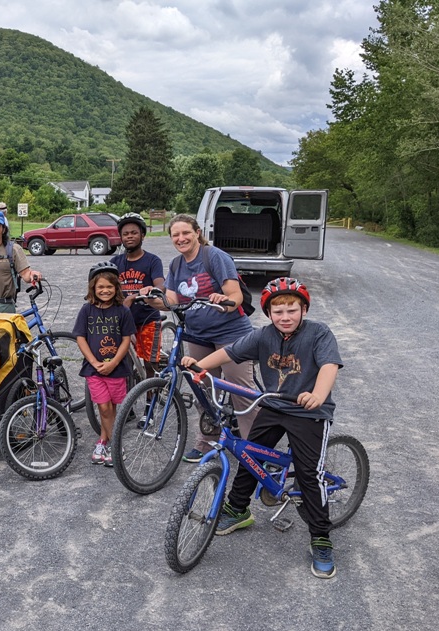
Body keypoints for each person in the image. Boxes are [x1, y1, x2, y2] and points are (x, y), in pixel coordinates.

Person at [179, 277, 342, 579]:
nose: (285, 317)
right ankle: (238, 509)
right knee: (248, 455)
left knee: (308, 475)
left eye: (292, 310)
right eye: (278, 312)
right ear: (268, 314)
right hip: (273, 405)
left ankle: (321, 537)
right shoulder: (263, 336)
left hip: (309, 412)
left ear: (303, 309)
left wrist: (318, 395)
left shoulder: (319, 334)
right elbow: (229, 353)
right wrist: (201, 367)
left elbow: (329, 366)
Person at [146, 214, 256, 463]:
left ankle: (255, 448)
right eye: (176, 235)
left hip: (232, 334)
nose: (181, 238)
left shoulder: (214, 256)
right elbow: (172, 301)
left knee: (241, 392)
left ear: (197, 232)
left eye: (186, 233)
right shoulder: (176, 265)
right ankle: (207, 441)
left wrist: (222, 300)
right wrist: (150, 298)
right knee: (203, 391)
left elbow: (235, 296)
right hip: (198, 336)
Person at [73, 262, 136, 466]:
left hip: (117, 369)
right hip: (94, 369)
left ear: (116, 288)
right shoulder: (87, 310)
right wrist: (94, 361)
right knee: (104, 407)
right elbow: (81, 337)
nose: (105, 290)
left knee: (111, 408)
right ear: (93, 288)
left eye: (109, 286)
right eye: (101, 287)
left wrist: (114, 362)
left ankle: (103, 441)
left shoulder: (122, 312)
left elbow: (126, 339)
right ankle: (116, 447)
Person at [110, 212, 165, 378]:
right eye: (125, 234)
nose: (129, 237)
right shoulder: (115, 262)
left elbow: (160, 285)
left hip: (147, 319)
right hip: (124, 321)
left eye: (134, 233)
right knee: (124, 361)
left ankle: (151, 402)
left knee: (150, 363)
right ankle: (129, 402)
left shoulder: (152, 260)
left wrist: (147, 292)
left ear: (142, 235)